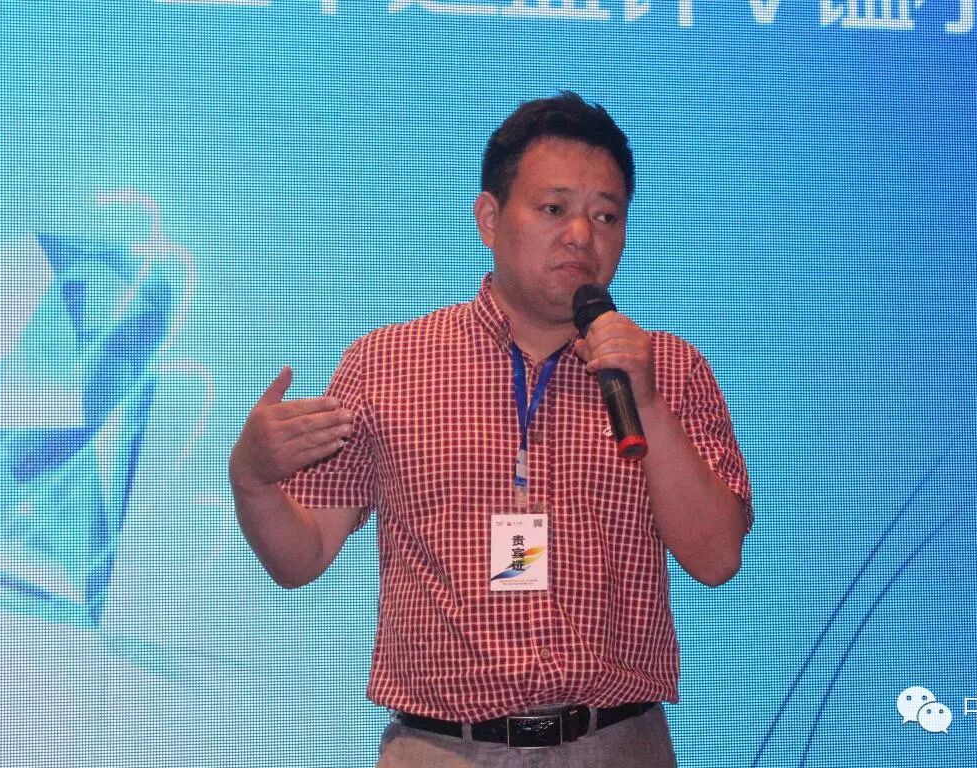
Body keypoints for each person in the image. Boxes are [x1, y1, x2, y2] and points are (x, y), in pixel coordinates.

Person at [229, 91, 752, 767]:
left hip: (618, 743)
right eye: (554, 208)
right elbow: (300, 557)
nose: (582, 235)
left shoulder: (669, 369)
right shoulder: (388, 364)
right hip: (442, 747)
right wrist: (251, 479)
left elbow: (717, 557)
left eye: (606, 215)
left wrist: (646, 401)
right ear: (489, 218)